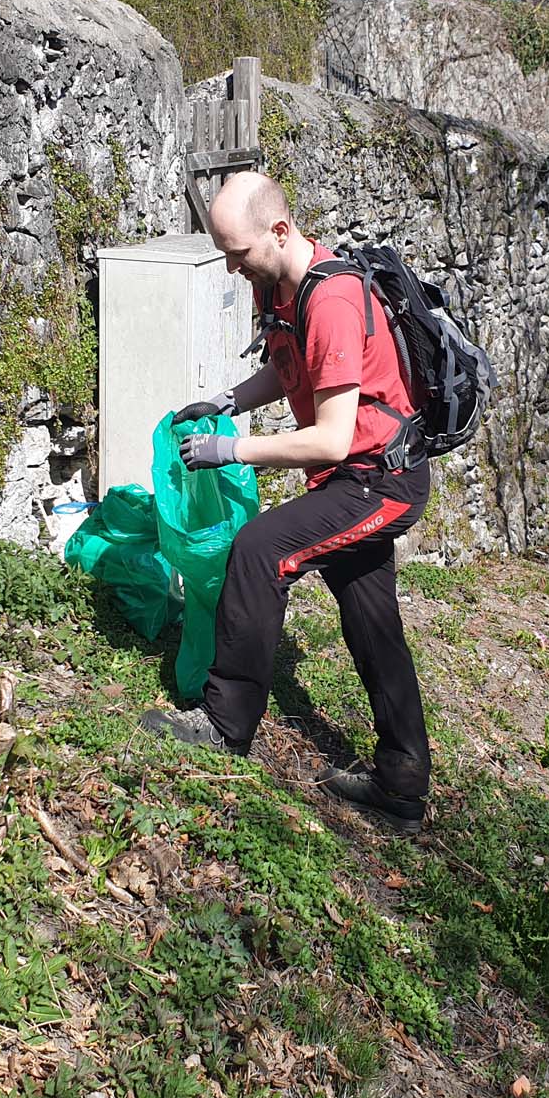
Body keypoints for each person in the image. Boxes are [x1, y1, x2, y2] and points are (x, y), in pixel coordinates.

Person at [138, 172, 433, 834]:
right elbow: (291, 367)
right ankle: (402, 785)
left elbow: (331, 439)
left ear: (279, 231)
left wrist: (231, 450)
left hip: (379, 481)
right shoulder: (279, 288)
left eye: (238, 254)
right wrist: (226, 401)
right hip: (353, 477)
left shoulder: (334, 300)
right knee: (372, 621)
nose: (233, 268)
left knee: (259, 551)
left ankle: (224, 725)